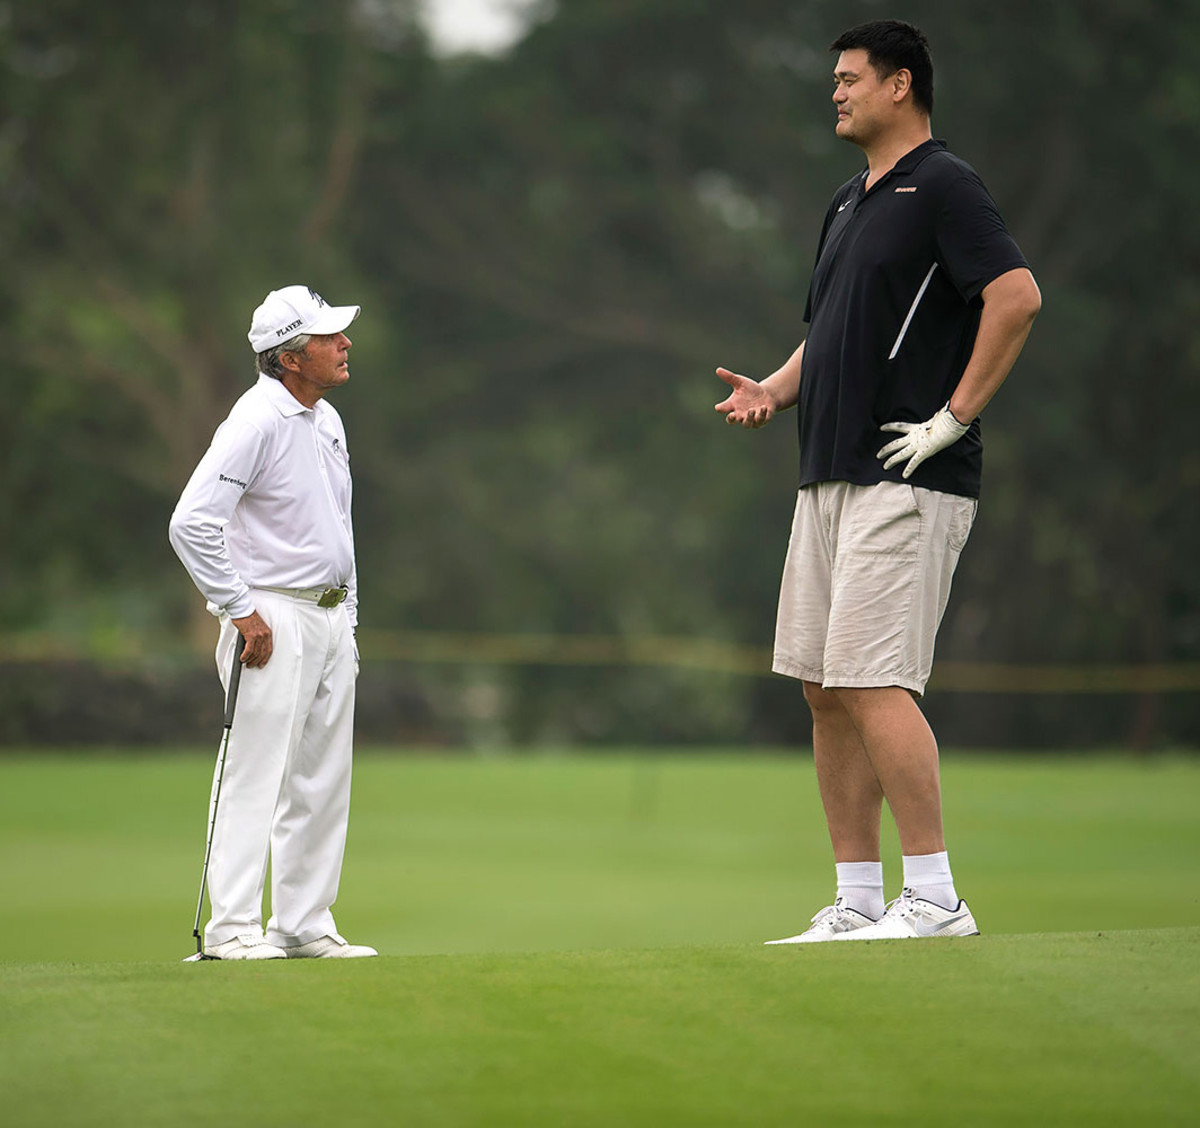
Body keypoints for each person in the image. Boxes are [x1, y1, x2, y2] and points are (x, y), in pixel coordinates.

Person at [715, 21, 1040, 942]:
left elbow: (1016, 296)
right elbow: (834, 329)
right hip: (826, 473)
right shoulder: (848, 201)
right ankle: (859, 901)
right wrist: (776, 391)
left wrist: (954, 418)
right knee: (823, 684)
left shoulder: (945, 183)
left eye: (851, 78)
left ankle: (935, 898)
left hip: (907, 475)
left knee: (871, 677)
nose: (836, 92)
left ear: (902, 86)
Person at [169, 285, 377, 959]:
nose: (345, 345)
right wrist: (237, 608)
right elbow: (193, 523)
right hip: (268, 615)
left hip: (327, 615)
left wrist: (346, 618)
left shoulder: (328, 420)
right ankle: (231, 931)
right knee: (255, 773)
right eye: (328, 338)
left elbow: (333, 527)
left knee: (321, 777)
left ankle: (303, 923)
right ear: (290, 357)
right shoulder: (255, 420)